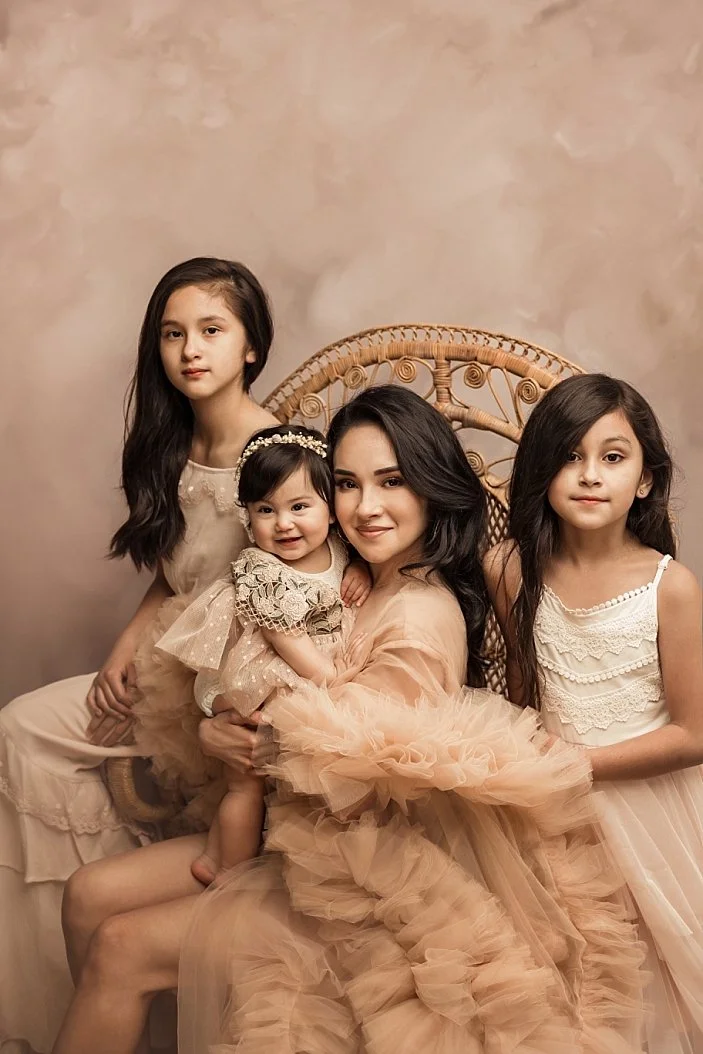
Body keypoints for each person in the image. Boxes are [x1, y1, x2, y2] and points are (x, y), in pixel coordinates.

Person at [53, 385, 645, 1054]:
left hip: (364, 886)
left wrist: (236, 741)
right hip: (296, 841)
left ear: (430, 487)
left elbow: (354, 780)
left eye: (391, 482)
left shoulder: (419, 617)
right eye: (346, 484)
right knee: (89, 892)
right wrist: (215, 724)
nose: (366, 507)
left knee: (121, 946)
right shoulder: (345, 574)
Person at [0, 256, 281, 1053]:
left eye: (211, 331)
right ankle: (43, 994)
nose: (190, 350)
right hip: (164, 656)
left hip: (223, 676)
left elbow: (301, 575)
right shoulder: (170, 444)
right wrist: (126, 645)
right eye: (172, 334)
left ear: (250, 346)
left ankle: (126, 938)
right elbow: (172, 574)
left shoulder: (275, 452)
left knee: (42, 736)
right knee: (22, 731)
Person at [486, 373, 703, 1053]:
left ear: (643, 480)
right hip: (555, 815)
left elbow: (695, 734)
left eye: (612, 457)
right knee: (576, 994)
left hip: (651, 810)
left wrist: (582, 765)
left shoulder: (669, 587)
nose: (588, 475)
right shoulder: (510, 570)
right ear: (543, 470)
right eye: (569, 457)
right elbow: (525, 697)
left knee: (662, 984)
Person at [150, 423, 369, 886]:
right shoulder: (260, 569)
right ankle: (224, 869)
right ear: (249, 518)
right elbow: (286, 640)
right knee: (244, 782)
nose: (284, 523)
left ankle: (227, 850)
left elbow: (343, 579)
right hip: (263, 678)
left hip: (301, 671)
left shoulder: (338, 549)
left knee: (280, 783)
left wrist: (361, 575)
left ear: (331, 511)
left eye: (299, 507)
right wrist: (330, 680)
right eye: (265, 510)